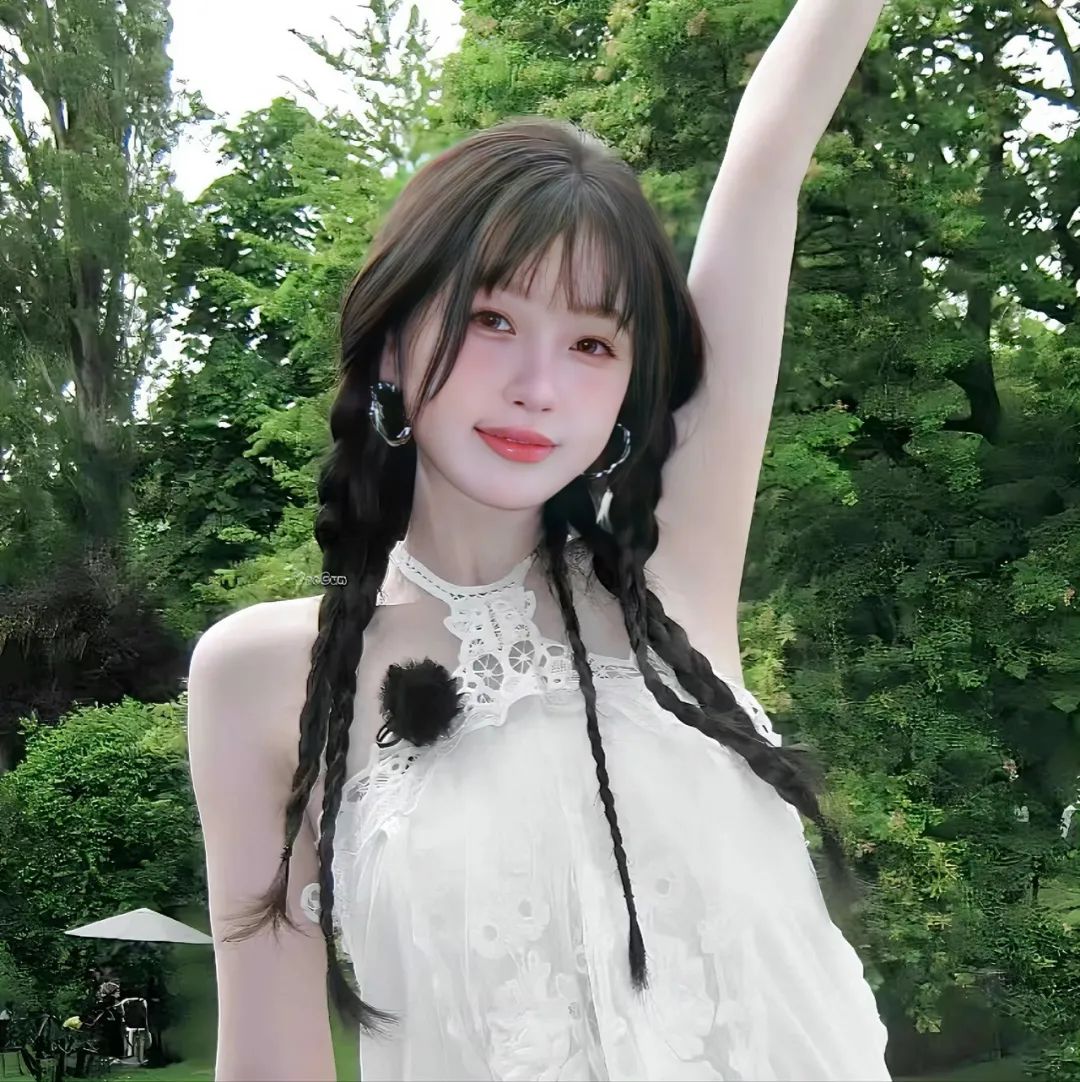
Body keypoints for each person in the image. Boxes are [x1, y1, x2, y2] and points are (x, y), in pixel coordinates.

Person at [188, 1, 892, 1078]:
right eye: (492, 320)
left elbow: (771, 147)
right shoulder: (264, 678)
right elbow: (271, 1060)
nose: (538, 386)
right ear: (392, 347)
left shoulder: (668, 578)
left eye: (593, 342)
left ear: (628, 387)